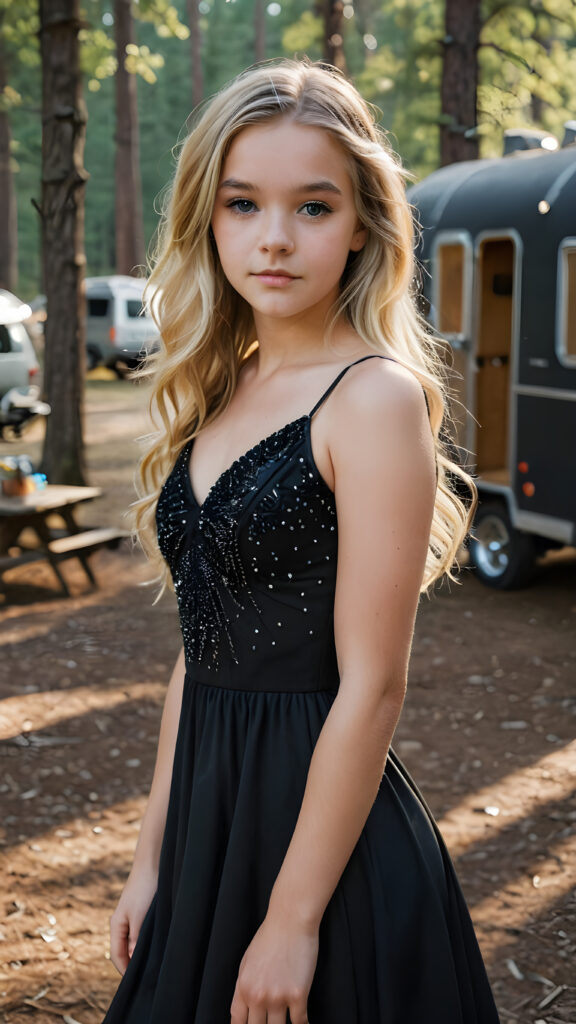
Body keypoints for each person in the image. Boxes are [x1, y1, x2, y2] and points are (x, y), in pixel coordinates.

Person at [102, 58, 500, 1024]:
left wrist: (291, 917)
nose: (274, 239)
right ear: (208, 216)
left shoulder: (372, 399)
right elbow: (198, 657)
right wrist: (153, 855)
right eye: (243, 204)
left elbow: (374, 684)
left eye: (312, 208)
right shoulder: (220, 387)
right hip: (208, 817)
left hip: (317, 841)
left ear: (363, 223)